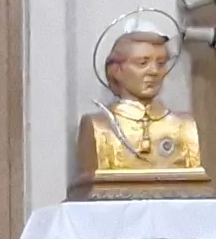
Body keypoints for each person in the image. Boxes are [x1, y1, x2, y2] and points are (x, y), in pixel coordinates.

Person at [79, 12, 208, 191]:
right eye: (142, 63)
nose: (154, 71)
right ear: (116, 70)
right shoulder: (100, 127)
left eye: (161, 63)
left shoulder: (184, 126)